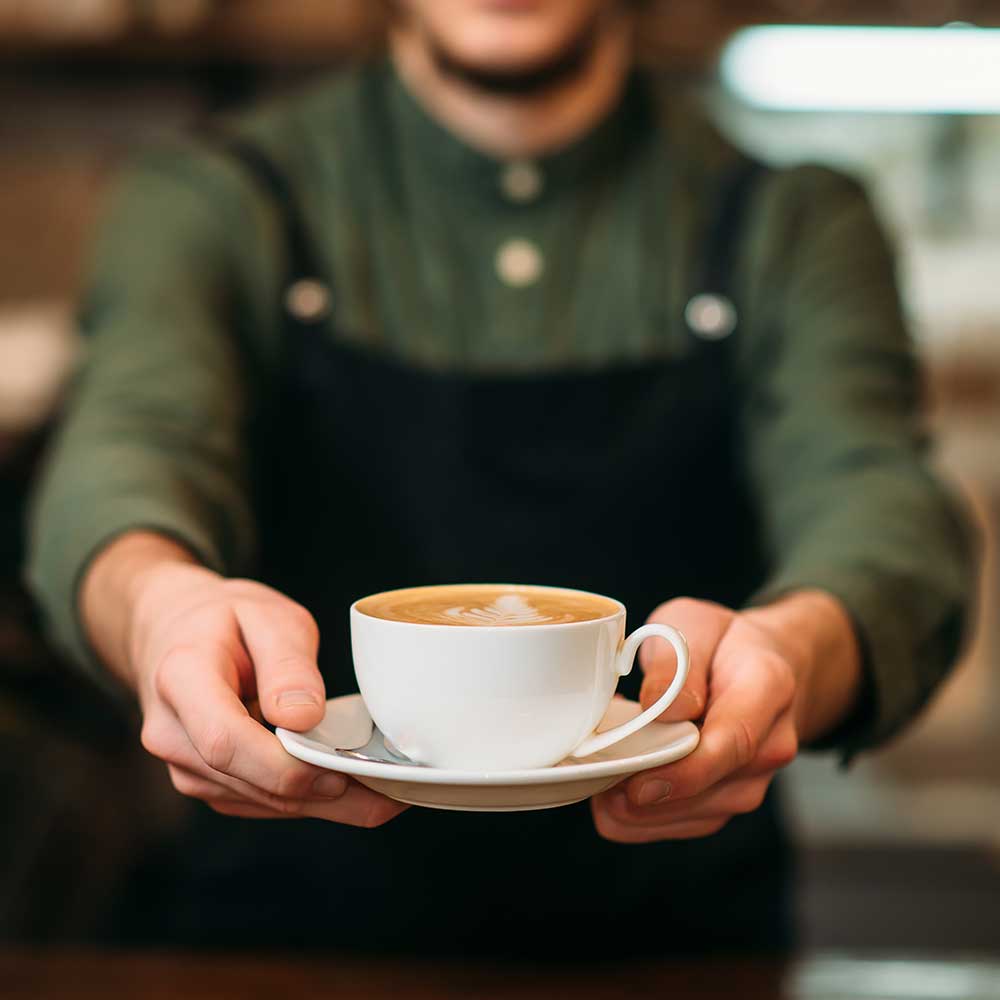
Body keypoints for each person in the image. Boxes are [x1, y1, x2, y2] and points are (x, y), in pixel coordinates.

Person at [27, 0, 972, 959]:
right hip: (287, 944)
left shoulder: (795, 215)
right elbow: (128, 448)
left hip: (678, 949)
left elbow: (877, 502)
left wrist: (798, 652)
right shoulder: (214, 197)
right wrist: (158, 608)